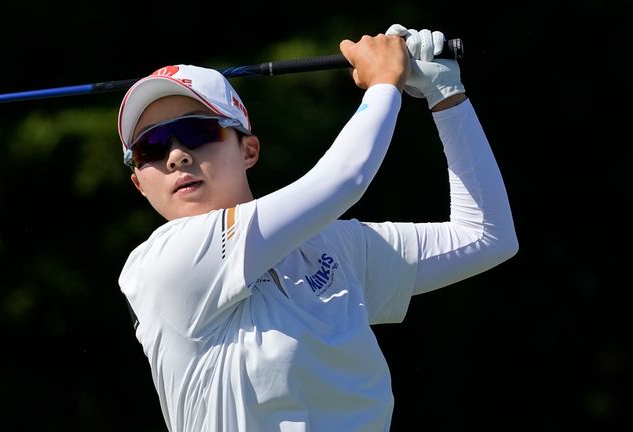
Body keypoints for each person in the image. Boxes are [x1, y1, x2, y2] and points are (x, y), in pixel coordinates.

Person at [116, 23, 518, 432]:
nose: (177, 156)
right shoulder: (161, 264)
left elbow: (487, 237)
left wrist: (446, 96)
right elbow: (346, 177)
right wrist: (384, 83)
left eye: (196, 131)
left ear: (248, 149)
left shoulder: (333, 246)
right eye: (151, 147)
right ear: (138, 182)